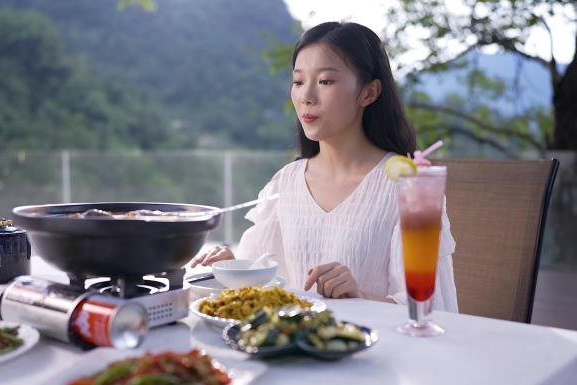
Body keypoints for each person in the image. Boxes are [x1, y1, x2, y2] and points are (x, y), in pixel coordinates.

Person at [190, 22, 457, 312]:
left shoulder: (408, 186)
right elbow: (263, 285)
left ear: (368, 93)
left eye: (326, 81)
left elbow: (428, 310)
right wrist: (231, 268)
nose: (306, 96)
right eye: (298, 81)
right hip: (294, 348)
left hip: (377, 352)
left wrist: (359, 295)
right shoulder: (286, 182)